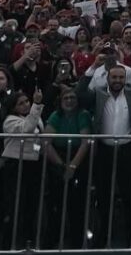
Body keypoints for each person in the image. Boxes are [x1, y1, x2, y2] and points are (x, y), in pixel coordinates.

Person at [75, 63, 131, 245]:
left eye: (121, 77)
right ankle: (103, 234)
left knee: (129, 194)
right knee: (104, 195)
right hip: (104, 150)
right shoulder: (98, 92)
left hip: (128, 150)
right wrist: (91, 69)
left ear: (125, 79)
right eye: (114, 77)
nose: (117, 81)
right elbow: (80, 95)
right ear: (108, 78)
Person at [0, 90, 46, 251]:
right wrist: (36, 105)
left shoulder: (34, 116)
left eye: (26, 101)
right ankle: (7, 245)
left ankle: (29, 242)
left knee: (31, 204)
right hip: (16, 164)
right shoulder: (10, 120)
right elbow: (27, 129)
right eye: (20, 103)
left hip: (33, 164)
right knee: (14, 206)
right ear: (13, 107)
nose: (26, 105)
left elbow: (37, 136)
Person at [45, 88, 93, 250]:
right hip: (58, 159)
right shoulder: (55, 115)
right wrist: (61, 165)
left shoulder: (83, 115)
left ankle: (76, 242)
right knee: (55, 203)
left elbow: (85, 141)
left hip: (78, 158)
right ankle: (52, 239)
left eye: (73, 97)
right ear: (60, 100)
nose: (69, 100)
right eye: (66, 97)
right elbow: (46, 142)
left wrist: (72, 166)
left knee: (76, 204)